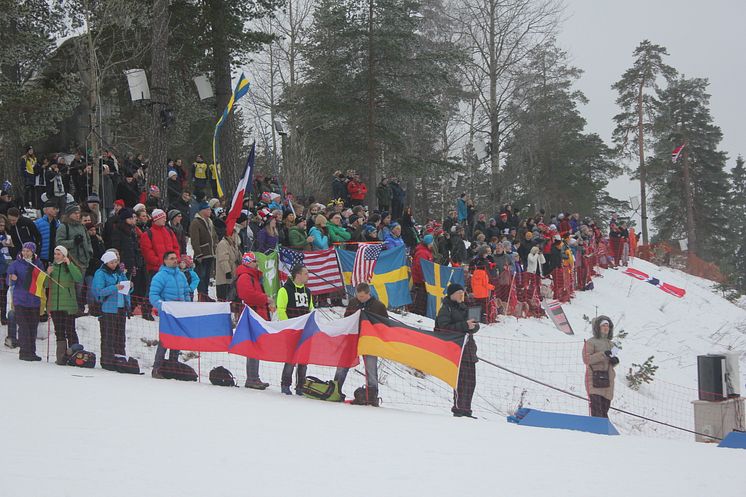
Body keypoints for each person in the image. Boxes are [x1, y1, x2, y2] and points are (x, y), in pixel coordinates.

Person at [334, 282, 385, 405]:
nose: (360, 299)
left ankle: (372, 395)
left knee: (371, 368)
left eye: (362, 296)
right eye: (358, 296)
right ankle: (335, 390)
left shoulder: (379, 306)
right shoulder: (353, 302)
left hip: (370, 341)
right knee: (343, 364)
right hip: (353, 339)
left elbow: (384, 325)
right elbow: (347, 319)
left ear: (368, 294)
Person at [434, 283, 479, 418]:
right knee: (461, 381)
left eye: (463, 292)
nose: (462, 294)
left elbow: (475, 327)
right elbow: (443, 328)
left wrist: (473, 326)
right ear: (452, 294)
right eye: (459, 292)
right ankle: (458, 409)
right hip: (456, 349)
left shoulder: (465, 307)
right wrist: (465, 325)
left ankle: (467, 409)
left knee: (471, 381)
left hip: (469, 349)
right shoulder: (445, 309)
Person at [149, 251, 192, 378]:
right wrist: (162, 306)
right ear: (165, 261)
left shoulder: (181, 276)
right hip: (167, 315)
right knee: (165, 341)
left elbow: (186, 293)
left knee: (177, 341)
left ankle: (173, 366)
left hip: (180, 314)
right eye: (172, 258)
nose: (175, 260)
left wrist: (187, 306)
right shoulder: (160, 276)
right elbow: (153, 296)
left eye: (176, 258)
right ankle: (156, 368)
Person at [234, 252, 273, 389]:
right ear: (247, 262)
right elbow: (247, 295)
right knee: (253, 347)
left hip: (257, 314)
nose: (257, 263)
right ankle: (252, 378)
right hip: (252, 315)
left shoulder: (253, 277)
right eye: (254, 261)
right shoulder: (245, 277)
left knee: (255, 347)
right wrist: (265, 299)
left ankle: (254, 377)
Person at [92, 250, 132, 371]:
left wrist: (130, 287)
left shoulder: (120, 273)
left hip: (121, 308)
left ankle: (120, 359)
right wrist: (114, 288)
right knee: (108, 336)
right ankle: (107, 360)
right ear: (106, 262)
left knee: (120, 336)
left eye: (115, 262)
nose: (114, 264)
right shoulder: (100, 273)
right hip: (108, 309)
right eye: (111, 262)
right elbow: (98, 292)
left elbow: (126, 289)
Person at [278, 265, 314, 395]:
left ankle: (300, 386)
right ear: (298, 275)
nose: (308, 276)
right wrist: (290, 326)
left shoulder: (308, 291)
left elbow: (311, 309)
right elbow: (281, 310)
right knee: (291, 360)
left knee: (303, 360)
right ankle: (285, 385)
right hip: (292, 331)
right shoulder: (285, 290)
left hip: (305, 331)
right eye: (306, 274)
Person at [46, 246, 83, 365]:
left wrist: (70, 265)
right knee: (59, 332)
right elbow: (46, 285)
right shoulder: (52, 267)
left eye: (59, 254)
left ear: (64, 255)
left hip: (69, 306)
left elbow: (78, 277)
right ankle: (61, 357)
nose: (56, 256)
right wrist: (47, 274)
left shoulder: (70, 266)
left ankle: (75, 356)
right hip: (55, 305)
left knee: (70, 330)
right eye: (55, 254)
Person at [7, 242, 43, 361]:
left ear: (33, 252)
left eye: (28, 251)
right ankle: (24, 352)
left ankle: (32, 352)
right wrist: (12, 278)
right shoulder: (16, 264)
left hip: (34, 300)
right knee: (24, 327)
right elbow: (9, 279)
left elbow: (41, 280)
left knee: (33, 327)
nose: (25, 253)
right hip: (20, 300)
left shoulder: (38, 264)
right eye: (24, 251)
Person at [583, 316, 618, 418]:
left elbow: (612, 362)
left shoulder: (612, 344)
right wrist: (603, 354)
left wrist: (615, 361)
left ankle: (602, 432)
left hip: (608, 382)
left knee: (604, 411)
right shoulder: (591, 342)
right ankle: (597, 432)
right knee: (597, 411)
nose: (606, 327)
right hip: (594, 381)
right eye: (603, 325)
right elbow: (586, 359)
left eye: (608, 325)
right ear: (597, 327)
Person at [189, 201, 218, 301]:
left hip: (210, 253)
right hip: (202, 255)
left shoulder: (209, 221)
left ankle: (205, 294)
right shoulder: (196, 222)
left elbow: (213, 236)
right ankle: (202, 295)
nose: (210, 211)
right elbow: (194, 240)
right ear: (202, 210)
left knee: (206, 277)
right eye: (208, 209)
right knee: (201, 275)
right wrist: (198, 254)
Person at [410, 234, 434, 315]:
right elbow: (420, 267)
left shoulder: (427, 251)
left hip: (424, 279)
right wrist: (424, 278)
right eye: (432, 242)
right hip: (421, 280)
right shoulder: (422, 253)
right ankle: (417, 312)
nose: (433, 244)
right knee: (420, 297)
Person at [215, 231, 242, 302]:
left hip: (234, 277)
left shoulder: (234, 244)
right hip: (224, 279)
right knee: (225, 301)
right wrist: (227, 271)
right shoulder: (223, 244)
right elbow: (223, 259)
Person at [34, 201, 59, 266]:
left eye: (56, 209)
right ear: (45, 210)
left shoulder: (57, 224)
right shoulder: (38, 223)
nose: (56, 210)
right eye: (53, 209)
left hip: (54, 256)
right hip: (41, 256)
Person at [0, 215, 12, 328]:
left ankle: (3, 316)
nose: (2, 227)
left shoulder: (7, 235)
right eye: (0, 224)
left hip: (6, 268)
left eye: (3, 224)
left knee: (4, 293)